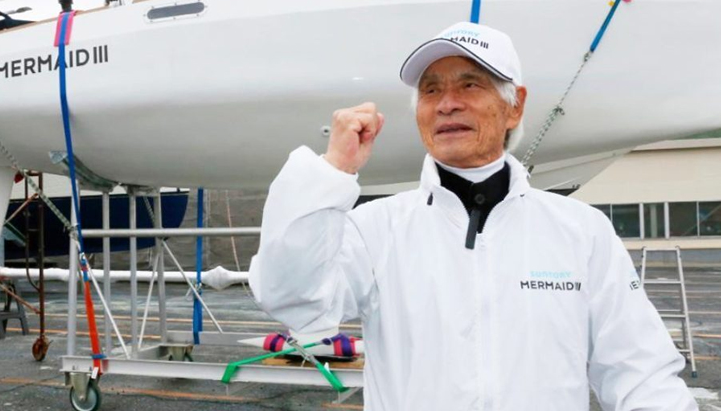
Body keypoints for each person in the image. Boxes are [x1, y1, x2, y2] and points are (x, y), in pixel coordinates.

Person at [248, 22, 697, 410]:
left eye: (469, 85)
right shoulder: (375, 230)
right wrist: (332, 171)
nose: (447, 103)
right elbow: (293, 298)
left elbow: (640, 371)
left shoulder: (582, 231)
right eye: (431, 90)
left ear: (515, 105)